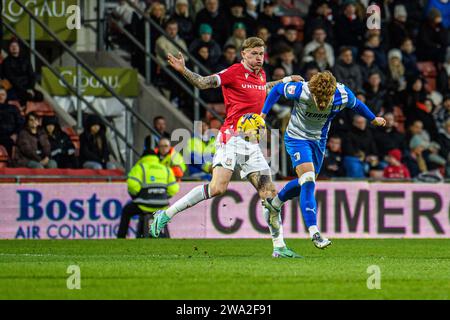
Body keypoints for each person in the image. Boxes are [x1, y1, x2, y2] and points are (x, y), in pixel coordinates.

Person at [153, 37, 303, 258]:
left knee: (269, 194)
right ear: (243, 54)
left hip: (251, 142)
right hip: (230, 138)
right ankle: (165, 214)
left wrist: (285, 80)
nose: (258, 58)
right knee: (217, 188)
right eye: (254, 54)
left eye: (261, 54)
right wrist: (184, 70)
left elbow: (263, 88)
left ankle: (279, 247)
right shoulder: (233, 72)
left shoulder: (260, 75)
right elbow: (204, 83)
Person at [260, 71, 386, 249]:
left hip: (319, 141)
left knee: (305, 182)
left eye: (325, 99)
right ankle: (314, 232)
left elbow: (357, 105)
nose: (321, 103)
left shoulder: (342, 94)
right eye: (318, 98)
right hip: (297, 138)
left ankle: (275, 203)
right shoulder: (301, 89)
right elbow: (277, 90)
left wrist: (373, 119)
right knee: (309, 180)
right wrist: (263, 115)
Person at [117, 149, 179, 238]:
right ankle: (165, 236)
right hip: (162, 205)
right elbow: (174, 189)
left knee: (126, 211)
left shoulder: (140, 167)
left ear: (143, 157)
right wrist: (164, 196)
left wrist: (136, 196)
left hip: (144, 205)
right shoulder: (166, 169)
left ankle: (121, 237)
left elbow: (132, 186)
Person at [2, 40, 43, 108]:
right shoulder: (6, 62)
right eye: (12, 46)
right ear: (9, 48)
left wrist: (30, 88)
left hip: (27, 86)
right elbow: (12, 79)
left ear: (19, 47)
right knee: (26, 96)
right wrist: (24, 90)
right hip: (15, 88)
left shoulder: (25, 60)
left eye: (16, 46)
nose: (14, 47)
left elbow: (31, 75)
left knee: (40, 96)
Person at [0, 86, 24, 157]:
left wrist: (15, 134)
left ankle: (10, 164)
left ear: (6, 96)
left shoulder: (13, 108)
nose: (1, 97)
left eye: (3, 94)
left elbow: (20, 122)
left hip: (10, 135)